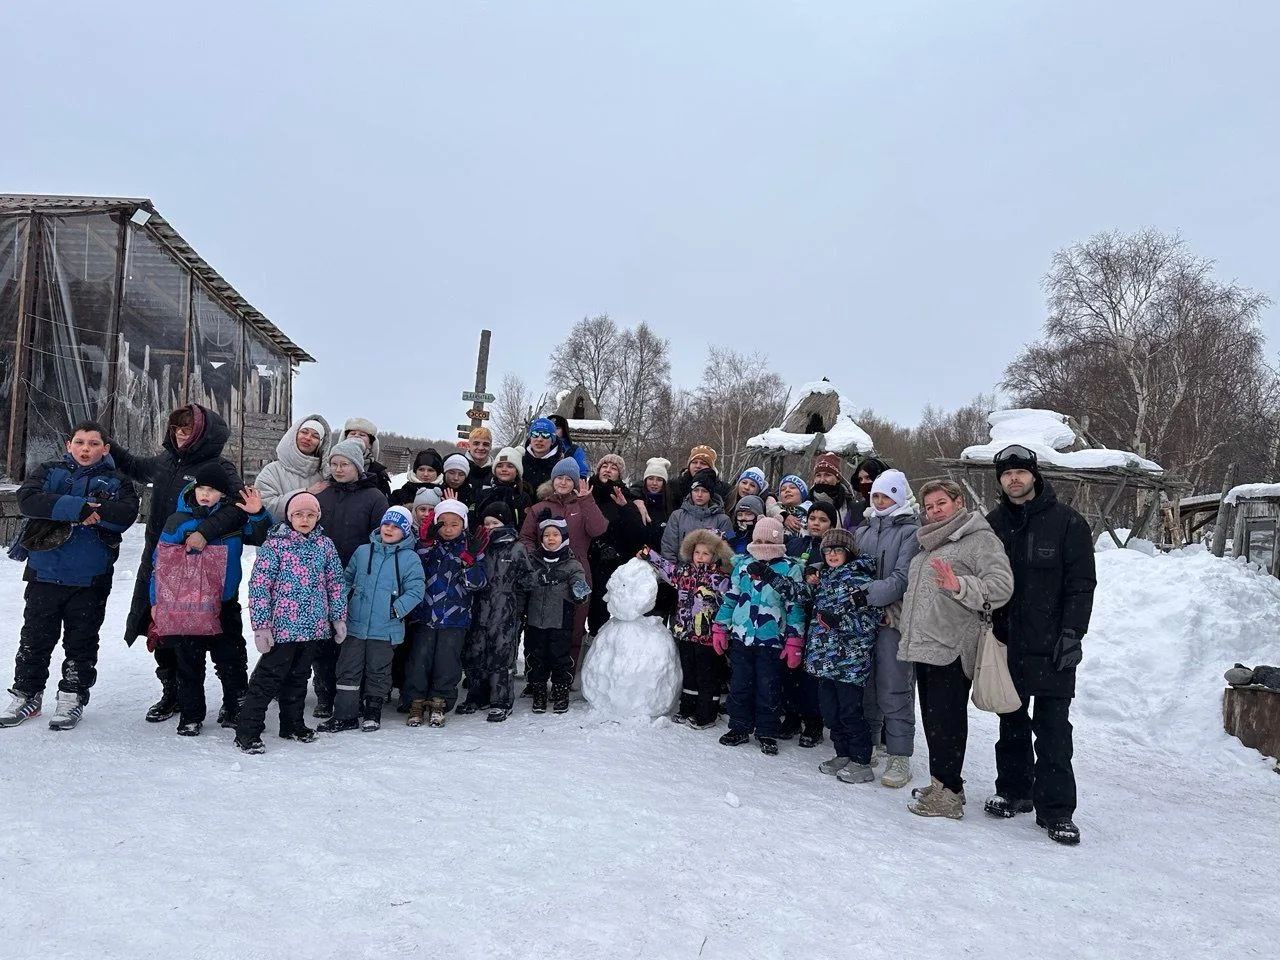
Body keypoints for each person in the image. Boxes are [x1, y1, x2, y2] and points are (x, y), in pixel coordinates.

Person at [983, 445, 1095, 845]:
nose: (1014, 479)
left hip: (1052, 647)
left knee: (1053, 730)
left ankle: (1057, 811)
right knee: (1010, 722)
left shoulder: (1067, 523)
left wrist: (1072, 634)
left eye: (1020, 472)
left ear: (1034, 475)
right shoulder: (993, 525)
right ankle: (1014, 791)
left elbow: (1082, 585)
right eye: (1006, 474)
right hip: (1006, 643)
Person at [111, 403, 249, 724]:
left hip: (205, 571)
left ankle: (234, 701)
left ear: (203, 433)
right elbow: (131, 465)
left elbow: (241, 507)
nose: (181, 435)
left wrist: (204, 530)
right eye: (177, 428)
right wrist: (108, 444)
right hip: (162, 563)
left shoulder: (219, 468)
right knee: (165, 634)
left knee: (220, 639)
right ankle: (172, 693)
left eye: (188, 429)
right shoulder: (164, 462)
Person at [0, 422, 139, 731]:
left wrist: (72, 510)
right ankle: (27, 694)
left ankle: (72, 697)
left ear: (105, 449)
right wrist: (78, 507)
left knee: (81, 642)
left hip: (90, 578)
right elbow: (28, 500)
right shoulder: (49, 471)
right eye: (79, 442)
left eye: (93, 443)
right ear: (69, 445)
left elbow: (125, 514)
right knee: (35, 640)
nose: (85, 448)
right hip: (44, 573)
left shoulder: (117, 480)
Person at [898, 480, 1014, 819]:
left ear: (958, 502)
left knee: (947, 720)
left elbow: (1001, 587)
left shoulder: (979, 539)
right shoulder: (929, 544)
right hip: (924, 645)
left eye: (941, 504)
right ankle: (945, 784)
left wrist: (960, 585)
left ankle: (947, 795)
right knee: (933, 719)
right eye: (929, 506)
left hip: (952, 645)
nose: (934, 510)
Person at [151, 465, 270, 737]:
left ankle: (234, 708)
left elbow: (265, 537)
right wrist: (155, 600)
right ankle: (192, 714)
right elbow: (161, 564)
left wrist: (258, 513)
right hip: (186, 605)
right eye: (202, 489)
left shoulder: (236, 519)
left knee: (231, 659)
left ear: (222, 494)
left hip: (223, 603)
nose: (206, 494)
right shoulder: (178, 521)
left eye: (213, 490)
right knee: (188, 663)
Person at [236, 492, 348, 754]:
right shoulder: (275, 545)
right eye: (298, 514)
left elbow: (335, 584)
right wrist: (261, 626)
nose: (304, 519)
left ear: (318, 516)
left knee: (299, 677)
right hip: (282, 628)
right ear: (289, 516)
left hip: (313, 626)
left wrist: (338, 618)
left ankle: (292, 723)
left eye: (310, 514)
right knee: (268, 679)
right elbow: (259, 586)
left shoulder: (325, 545)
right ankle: (247, 729)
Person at [320, 506, 425, 734]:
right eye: (387, 524)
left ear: (405, 532)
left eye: (397, 527)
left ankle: (372, 713)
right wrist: (342, 605)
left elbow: (416, 590)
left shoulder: (410, 558)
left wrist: (395, 609)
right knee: (348, 668)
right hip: (355, 625)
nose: (390, 529)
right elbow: (345, 580)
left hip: (385, 628)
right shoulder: (363, 552)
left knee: (378, 671)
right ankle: (345, 715)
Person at [713, 517, 806, 756]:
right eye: (758, 540)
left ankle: (766, 730)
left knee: (769, 686)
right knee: (740, 684)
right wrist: (720, 627)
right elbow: (732, 597)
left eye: (768, 541)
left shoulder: (788, 568)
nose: (763, 546)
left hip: (772, 640)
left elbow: (794, 606)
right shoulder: (743, 565)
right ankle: (739, 726)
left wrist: (795, 639)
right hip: (742, 637)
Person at [795, 528, 881, 784]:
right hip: (824, 661)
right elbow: (797, 594)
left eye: (838, 550)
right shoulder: (824, 579)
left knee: (850, 712)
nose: (832, 554)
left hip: (849, 663)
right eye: (828, 550)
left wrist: (839, 622)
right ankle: (842, 754)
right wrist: (768, 575)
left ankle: (861, 761)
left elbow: (871, 621)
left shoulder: (860, 581)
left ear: (849, 553)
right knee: (830, 712)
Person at [313, 438, 389, 718]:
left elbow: (380, 538)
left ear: (357, 466)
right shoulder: (323, 494)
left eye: (344, 464)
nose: (338, 469)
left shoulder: (374, 497)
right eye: (334, 464)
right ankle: (323, 693)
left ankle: (350, 691)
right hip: (321, 576)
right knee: (323, 637)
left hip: (357, 578)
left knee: (349, 639)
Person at [856, 468, 921, 789]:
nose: (880, 501)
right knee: (866, 683)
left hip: (895, 618)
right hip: (863, 620)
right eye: (876, 496)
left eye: (886, 496)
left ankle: (899, 755)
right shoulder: (863, 530)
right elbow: (849, 567)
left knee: (894, 685)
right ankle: (868, 743)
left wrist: (863, 594)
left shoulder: (911, 531)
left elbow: (902, 577)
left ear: (898, 496)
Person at [403, 499, 487, 727]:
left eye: (454, 524)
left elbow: (478, 584)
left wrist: (469, 563)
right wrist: (425, 543)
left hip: (455, 618)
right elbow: (412, 570)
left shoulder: (469, 549)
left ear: (463, 525)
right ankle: (416, 702)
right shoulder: (428, 547)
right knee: (419, 660)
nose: (448, 529)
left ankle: (440, 702)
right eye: (443, 523)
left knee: (447, 662)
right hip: (424, 615)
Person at [520, 457, 608, 674]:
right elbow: (526, 538)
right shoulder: (540, 507)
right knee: (538, 626)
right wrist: (536, 560)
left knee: (575, 625)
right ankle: (537, 676)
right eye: (559, 477)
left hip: (577, 572)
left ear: (575, 482)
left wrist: (588, 501)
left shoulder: (584, 504)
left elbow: (598, 530)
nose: (563, 482)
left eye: (569, 479)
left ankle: (565, 675)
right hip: (544, 573)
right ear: (553, 479)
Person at [639, 530, 732, 728]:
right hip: (685, 632)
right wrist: (650, 555)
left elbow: (728, 605)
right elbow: (667, 569)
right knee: (689, 673)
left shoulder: (720, 578)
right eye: (697, 552)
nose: (700, 557)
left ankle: (706, 714)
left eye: (706, 553)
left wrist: (722, 629)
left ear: (714, 555)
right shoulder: (684, 572)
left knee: (707, 676)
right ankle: (688, 708)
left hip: (708, 637)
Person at [459, 502, 529, 721]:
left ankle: (501, 700)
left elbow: (526, 577)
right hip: (479, 607)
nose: (490, 527)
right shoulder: (479, 546)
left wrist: (519, 605)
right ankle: (477, 696)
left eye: (495, 523)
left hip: (504, 609)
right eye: (487, 523)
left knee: (500, 655)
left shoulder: (516, 548)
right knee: (475, 653)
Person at [781, 498, 840, 747]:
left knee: (812, 674)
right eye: (812, 518)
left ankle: (813, 722)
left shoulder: (833, 552)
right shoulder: (796, 543)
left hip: (818, 619)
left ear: (832, 524)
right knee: (789, 667)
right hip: (792, 616)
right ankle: (791, 716)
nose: (816, 523)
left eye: (822, 520)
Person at [517, 514, 590, 714]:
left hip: (560, 620)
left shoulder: (572, 563)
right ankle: (538, 690)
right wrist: (536, 579)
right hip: (534, 621)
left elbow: (580, 585)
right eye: (546, 535)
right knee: (536, 656)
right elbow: (523, 583)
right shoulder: (533, 560)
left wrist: (578, 591)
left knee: (560, 657)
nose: (550, 538)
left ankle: (560, 690)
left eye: (555, 534)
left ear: (564, 537)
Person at [586, 454, 647, 635]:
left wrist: (626, 506)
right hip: (590, 558)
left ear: (619, 474)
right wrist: (597, 545)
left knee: (606, 608)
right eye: (605, 465)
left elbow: (636, 530)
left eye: (614, 467)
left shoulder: (625, 496)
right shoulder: (587, 491)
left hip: (615, 560)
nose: (608, 469)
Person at [254, 414, 332, 520]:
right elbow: (265, 507)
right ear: (294, 434)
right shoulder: (272, 471)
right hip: (279, 534)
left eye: (315, 436)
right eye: (304, 432)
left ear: (320, 443)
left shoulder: (326, 473)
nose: (308, 438)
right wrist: (306, 492)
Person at [631, 458, 675, 620]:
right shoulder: (636, 502)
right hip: (638, 565)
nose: (654, 483)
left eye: (659, 479)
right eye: (650, 478)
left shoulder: (670, 505)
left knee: (658, 618)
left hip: (663, 567)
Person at [660, 468, 734, 562]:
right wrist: (673, 572)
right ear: (691, 492)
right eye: (696, 490)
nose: (699, 494)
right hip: (680, 572)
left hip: (712, 574)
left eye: (704, 491)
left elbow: (727, 550)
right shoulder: (677, 516)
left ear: (711, 494)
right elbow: (668, 547)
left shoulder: (723, 520)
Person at [472, 446, 535, 530]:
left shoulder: (523, 496)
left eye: (510, 466)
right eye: (500, 466)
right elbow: (476, 520)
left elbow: (525, 525)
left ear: (517, 471)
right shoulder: (484, 493)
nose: (504, 469)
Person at [339, 417, 393, 499]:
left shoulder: (377, 471)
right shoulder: (333, 464)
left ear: (370, 444)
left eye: (362, 435)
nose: (356, 436)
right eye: (352, 433)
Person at [810, 453, 858, 530]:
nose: (822, 480)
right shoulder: (807, 501)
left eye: (827, 475)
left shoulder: (850, 504)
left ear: (838, 479)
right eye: (818, 475)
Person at [521, 418, 568, 492]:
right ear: (530, 439)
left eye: (545, 435)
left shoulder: (561, 466)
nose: (539, 439)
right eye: (535, 434)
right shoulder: (519, 463)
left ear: (552, 440)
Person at [548, 414, 590, 479]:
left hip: (565, 485)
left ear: (564, 430)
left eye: (557, 428)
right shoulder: (540, 448)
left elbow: (582, 473)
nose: (554, 431)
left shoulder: (574, 450)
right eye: (551, 428)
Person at [851, 456, 889, 525]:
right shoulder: (856, 509)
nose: (863, 482)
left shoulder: (895, 507)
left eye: (868, 477)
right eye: (860, 479)